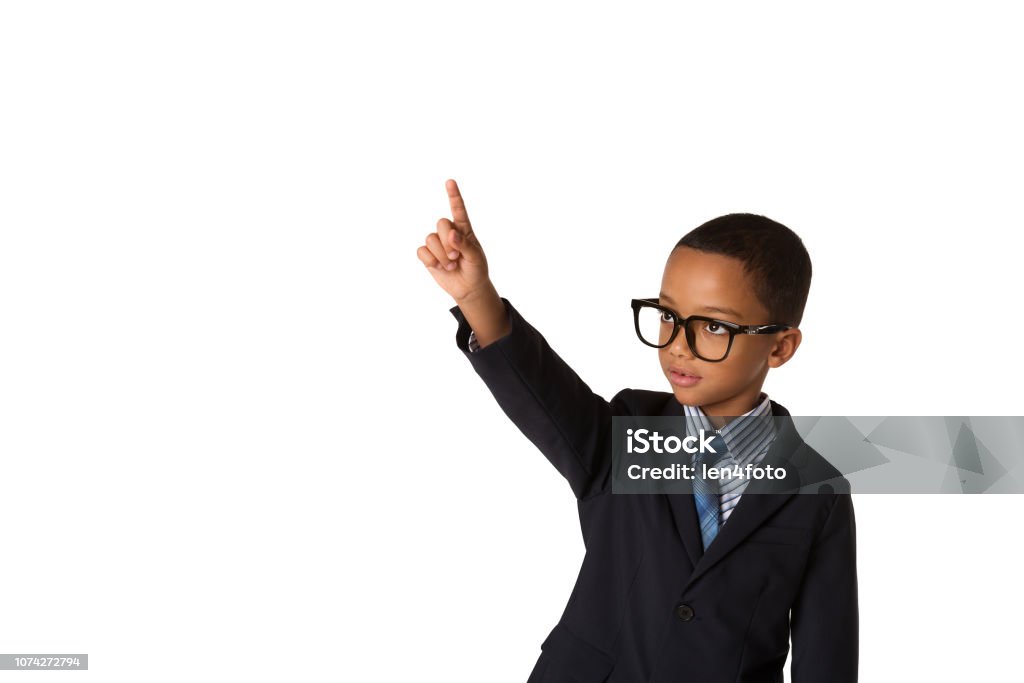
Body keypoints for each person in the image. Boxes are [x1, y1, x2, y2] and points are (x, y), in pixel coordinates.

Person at [416, 178, 858, 682]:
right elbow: (540, 393)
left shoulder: (817, 489)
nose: (678, 345)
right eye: (669, 315)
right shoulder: (625, 432)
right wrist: (477, 296)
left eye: (713, 325)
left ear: (780, 347)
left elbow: (828, 654)